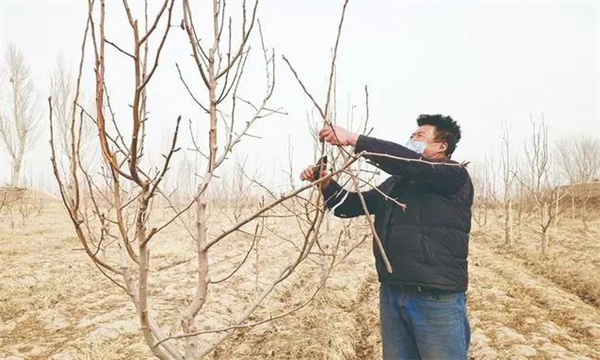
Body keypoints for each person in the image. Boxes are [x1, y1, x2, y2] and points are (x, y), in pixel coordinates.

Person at [300, 114, 473, 360]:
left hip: (436, 299)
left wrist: (354, 139)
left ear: (442, 146)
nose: (412, 139)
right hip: (393, 294)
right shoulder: (396, 185)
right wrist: (326, 183)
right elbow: (349, 206)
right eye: (412, 135)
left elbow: (407, 162)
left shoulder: (453, 175)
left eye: (420, 136)